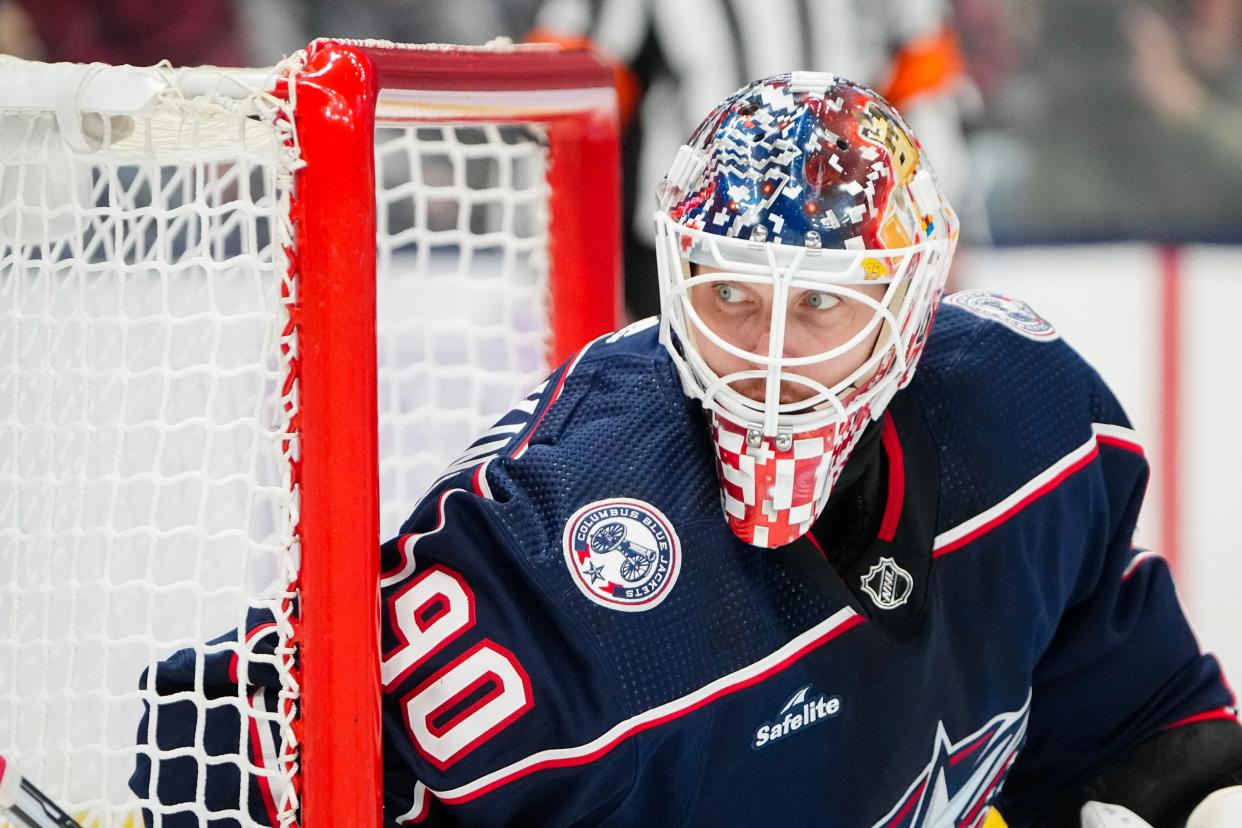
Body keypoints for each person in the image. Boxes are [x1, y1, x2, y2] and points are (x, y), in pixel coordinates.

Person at [132, 73, 1242, 826]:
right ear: (673, 281)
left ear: (911, 311)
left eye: (818, 307)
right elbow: (220, 737)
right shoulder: (560, 536)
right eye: (728, 296)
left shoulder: (1035, 425)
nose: (766, 359)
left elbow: (1148, 737)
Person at [527, 0, 978, 320]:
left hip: (854, 235)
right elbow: (574, 105)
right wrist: (593, 275)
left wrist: (936, 230)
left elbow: (921, 86)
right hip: (692, 242)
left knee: (846, 422)